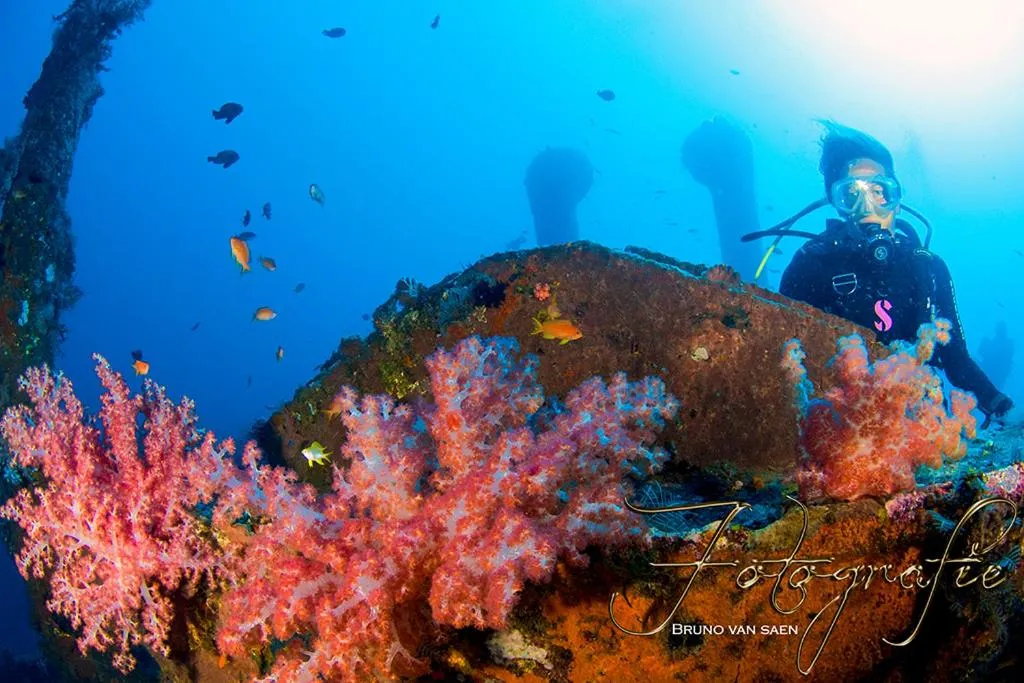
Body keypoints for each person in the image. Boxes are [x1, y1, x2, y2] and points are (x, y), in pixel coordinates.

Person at [770, 121, 1013, 424]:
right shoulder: (811, 264)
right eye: (851, 195)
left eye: (880, 191)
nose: (868, 206)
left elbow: (955, 358)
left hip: (914, 421)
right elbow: (785, 354)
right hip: (836, 420)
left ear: (897, 200)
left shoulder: (928, 267)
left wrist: (999, 403)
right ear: (837, 204)